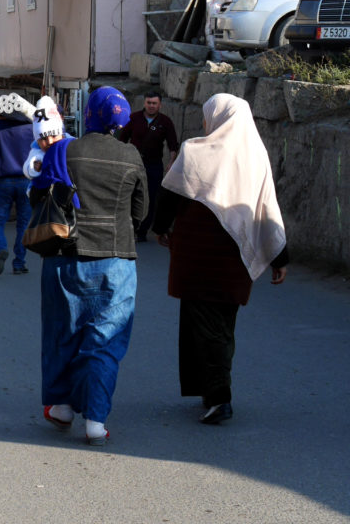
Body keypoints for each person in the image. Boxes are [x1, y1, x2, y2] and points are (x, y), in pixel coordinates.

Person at [152, 93, 288, 425]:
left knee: (205, 326)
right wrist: (280, 257)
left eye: (207, 116)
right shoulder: (256, 156)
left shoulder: (195, 152)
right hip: (235, 260)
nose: (203, 123)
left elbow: (169, 196)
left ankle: (218, 398)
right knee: (222, 326)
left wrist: (159, 228)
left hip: (197, 257)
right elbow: (266, 208)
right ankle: (210, 389)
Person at [33, 86, 147, 445]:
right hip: (116, 259)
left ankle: (62, 405)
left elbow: (39, 194)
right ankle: (96, 419)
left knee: (62, 332)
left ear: (89, 114)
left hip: (65, 257)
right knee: (104, 340)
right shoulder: (132, 156)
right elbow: (140, 213)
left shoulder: (66, 149)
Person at [118, 91, 179, 242]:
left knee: (151, 198)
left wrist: (171, 162)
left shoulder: (165, 122)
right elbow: (122, 139)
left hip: (154, 165)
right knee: (130, 195)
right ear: (144, 103)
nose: (151, 106)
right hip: (134, 163)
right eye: (149, 103)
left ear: (160, 105)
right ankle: (130, 227)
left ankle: (143, 231)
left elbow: (173, 144)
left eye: (154, 103)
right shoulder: (133, 118)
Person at [0, 108, 33, 275]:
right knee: (23, 223)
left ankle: (1, 248)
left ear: (0, 113)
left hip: (3, 181)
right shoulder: (30, 130)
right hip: (26, 180)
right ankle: (19, 263)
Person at [23, 96, 71, 181]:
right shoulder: (36, 152)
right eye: (44, 139)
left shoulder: (72, 145)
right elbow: (26, 169)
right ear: (37, 142)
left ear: (62, 134)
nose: (50, 141)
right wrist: (34, 168)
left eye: (54, 136)